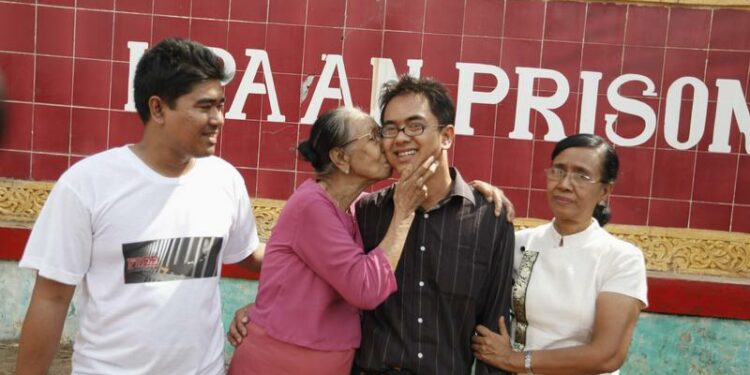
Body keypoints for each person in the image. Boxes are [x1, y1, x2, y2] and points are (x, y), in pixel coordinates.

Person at [16, 38, 264, 375]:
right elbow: (52, 298)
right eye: (205, 106)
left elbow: (251, 257)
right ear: (158, 108)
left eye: (220, 105)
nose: (218, 119)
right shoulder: (88, 184)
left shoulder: (224, 180)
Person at [226, 106, 438, 375]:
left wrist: (477, 193)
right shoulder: (311, 206)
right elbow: (366, 288)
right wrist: (404, 214)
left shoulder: (354, 206)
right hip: (279, 362)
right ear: (340, 157)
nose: (386, 144)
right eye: (374, 137)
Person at [350, 75, 515, 375]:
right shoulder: (366, 212)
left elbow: (493, 329)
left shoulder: (489, 219)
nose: (400, 138)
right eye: (390, 129)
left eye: (415, 126)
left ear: (447, 136)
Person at [471, 134, 648, 375]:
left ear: (605, 191)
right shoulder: (521, 243)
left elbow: (607, 354)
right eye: (558, 171)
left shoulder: (621, 258)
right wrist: (472, 197)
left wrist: (516, 360)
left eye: (581, 175)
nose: (564, 184)